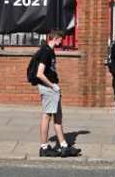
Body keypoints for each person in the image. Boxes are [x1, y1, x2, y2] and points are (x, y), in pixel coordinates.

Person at [35, 30, 82, 158]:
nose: (62, 41)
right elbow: (39, 73)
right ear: (55, 38)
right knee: (47, 117)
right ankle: (44, 147)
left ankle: (64, 146)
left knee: (58, 117)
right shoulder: (46, 52)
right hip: (48, 89)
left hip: (52, 89)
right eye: (61, 39)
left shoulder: (50, 51)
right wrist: (53, 86)